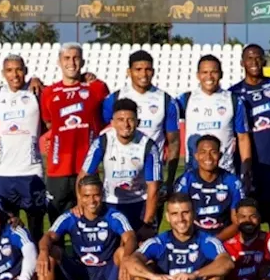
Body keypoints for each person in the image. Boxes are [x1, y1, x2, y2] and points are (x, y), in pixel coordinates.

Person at [37, 175, 138, 280]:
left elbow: (130, 237)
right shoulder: (71, 217)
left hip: (106, 276)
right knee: (51, 252)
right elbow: (48, 236)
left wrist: (126, 260)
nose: (92, 201)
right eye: (86, 196)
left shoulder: (113, 216)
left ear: (102, 194)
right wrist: (43, 252)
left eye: (96, 195)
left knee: (124, 252)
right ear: (79, 197)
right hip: (80, 276)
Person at [230, 44, 270, 236]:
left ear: (264, 60)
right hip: (246, 169)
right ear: (242, 63)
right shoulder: (232, 94)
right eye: (249, 58)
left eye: (258, 57)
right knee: (247, 227)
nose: (254, 62)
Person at [40, 42, 110, 220]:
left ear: (83, 61)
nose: (71, 62)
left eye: (76, 58)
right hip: (58, 169)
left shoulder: (96, 88)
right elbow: (49, 124)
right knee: (56, 223)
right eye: (67, 58)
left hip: (88, 167)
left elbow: (105, 120)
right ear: (59, 62)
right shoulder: (48, 93)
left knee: (90, 221)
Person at [102, 49, 181, 193]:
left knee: (151, 215)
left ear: (153, 71)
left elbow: (174, 142)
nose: (143, 74)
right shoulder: (113, 99)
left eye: (148, 69)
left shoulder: (166, 100)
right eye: (138, 69)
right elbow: (103, 136)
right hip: (118, 175)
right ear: (129, 72)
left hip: (151, 176)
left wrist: (169, 180)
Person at [0, 54, 49, 240]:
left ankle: (40, 267)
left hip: (31, 172)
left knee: (36, 228)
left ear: (26, 71)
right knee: (7, 228)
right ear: (3, 73)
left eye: (18, 69)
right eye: (9, 70)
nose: (14, 75)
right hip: (4, 174)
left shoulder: (37, 92)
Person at [81, 98, 161, 235]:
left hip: (139, 203)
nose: (126, 124)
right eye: (120, 119)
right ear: (112, 123)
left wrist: (147, 223)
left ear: (138, 122)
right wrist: (81, 206)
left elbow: (153, 188)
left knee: (141, 251)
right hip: (109, 203)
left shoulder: (148, 146)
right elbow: (83, 176)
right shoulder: (102, 142)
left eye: (130, 119)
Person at [178, 54, 252, 184]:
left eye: (214, 72)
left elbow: (243, 138)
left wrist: (246, 170)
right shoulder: (186, 99)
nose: (209, 77)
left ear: (221, 74)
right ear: (198, 75)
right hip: (194, 173)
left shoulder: (233, 100)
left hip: (225, 173)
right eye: (204, 72)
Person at [173, 136, 245, 239]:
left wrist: (214, 242)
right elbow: (177, 218)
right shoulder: (186, 180)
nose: (208, 157)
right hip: (192, 240)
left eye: (213, 152)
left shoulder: (233, 182)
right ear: (196, 156)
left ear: (220, 156)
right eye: (203, 152)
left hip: (224, 239)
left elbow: (238, 221)